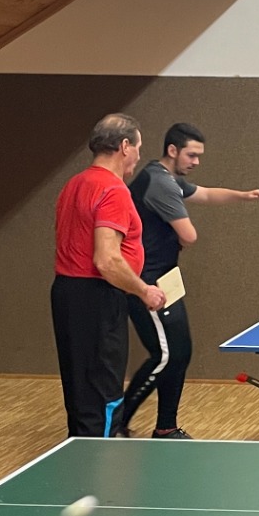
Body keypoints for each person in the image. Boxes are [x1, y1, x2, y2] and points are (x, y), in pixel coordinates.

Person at [114, 123, 259, 440]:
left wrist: (244, 195)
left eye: (199, 156)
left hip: (164, 279)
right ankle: (116, 424)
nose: (196, 161)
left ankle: (166, 427)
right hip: (146, 284)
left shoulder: (166, 177)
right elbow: (189, 235)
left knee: (180, 353)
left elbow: (206, 194)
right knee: (164, 356)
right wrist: (180, 239)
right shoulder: (160, 183)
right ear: (173, 150)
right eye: (192, 155)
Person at [53, 114, 166, 440]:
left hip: (67, 294)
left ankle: (79, 457)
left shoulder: (74, 184)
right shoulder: (113, 190)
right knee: (103, 396)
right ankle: (100, 464)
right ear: (124, 146)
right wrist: (144, 291)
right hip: (98, 298)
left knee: (81, 393)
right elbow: (106, 259)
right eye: (138, 147)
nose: (139, 155)